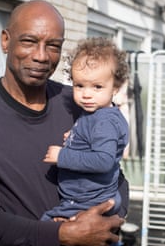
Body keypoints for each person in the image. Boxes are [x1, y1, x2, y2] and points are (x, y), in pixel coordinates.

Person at [0, 0, 128, 246]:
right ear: (5, 41)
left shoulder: (80, 102)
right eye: (29, 41)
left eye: (53, 46)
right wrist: (64, 233)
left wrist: (107, 218)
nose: (42, 56)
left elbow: (115, 176)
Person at [41, 37, 129, 222]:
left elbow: (103, 160)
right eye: (79, 85)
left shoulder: (104, 122)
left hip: (88, 200)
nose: (87, 94)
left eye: (97, 87)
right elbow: (94, 142)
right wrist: (76, 137)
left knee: (46, 224)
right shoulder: (96, 114)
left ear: (115, 88)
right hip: (88, 196)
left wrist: (62, 156)